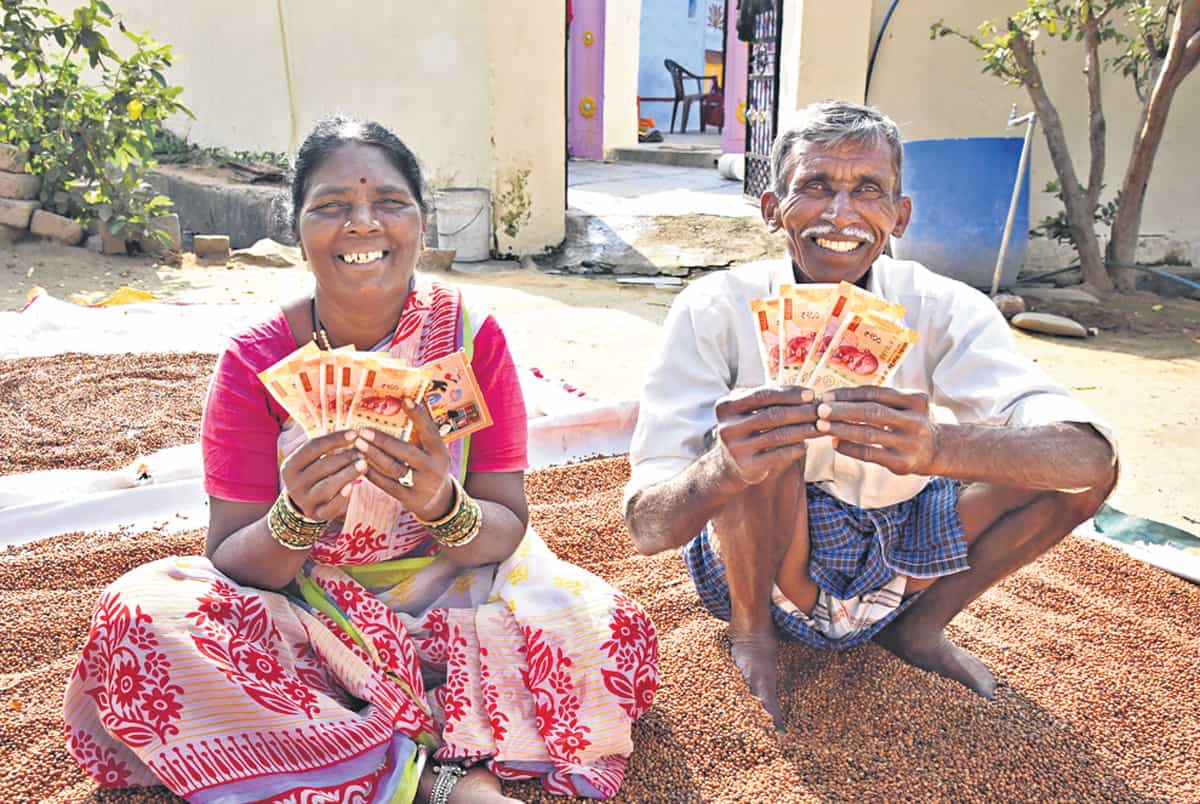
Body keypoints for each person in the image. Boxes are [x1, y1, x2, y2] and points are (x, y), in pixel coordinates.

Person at [64, 115, 658, 803]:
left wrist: (444, 505)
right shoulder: (255, 359)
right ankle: (430, 776)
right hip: (306, 614)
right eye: (332, 207)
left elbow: (507, 525)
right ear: (297, 231)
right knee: (138, 617)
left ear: (422, 223)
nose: (363, 224)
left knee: (613, 629)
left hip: (454, 598)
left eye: (389, 203)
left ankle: (351, 739)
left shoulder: (466, 339)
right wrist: (296, 520)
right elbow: (228, 556)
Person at [623, 100, 1117, 729]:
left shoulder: (942, 306)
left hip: (898, 536)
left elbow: (1088, 458)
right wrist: (721, 467)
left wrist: (936, 447)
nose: (840, 214)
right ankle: (752, 636)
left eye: (868, 191)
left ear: (899, 216)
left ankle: (920, 627)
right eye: (816, 186)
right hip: (756, 553)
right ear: (772, 208)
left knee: (1076, 472)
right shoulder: (713, 308)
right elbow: (647, 527)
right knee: (767, 438)